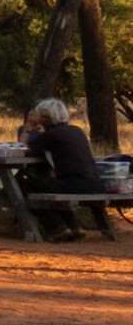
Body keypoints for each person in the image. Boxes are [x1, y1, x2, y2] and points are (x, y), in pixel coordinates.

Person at [20, 97, 119, 241]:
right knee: (51, 185)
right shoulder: (76, 130)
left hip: (74, 185)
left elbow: (22, 148)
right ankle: (73, 226)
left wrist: (28, 128)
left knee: (23, 185)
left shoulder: (52, 135)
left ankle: (56, 227)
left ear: (45, 117)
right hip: (94, 183)